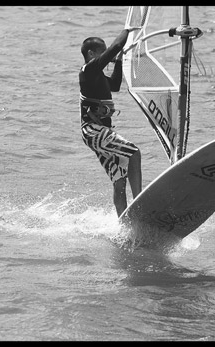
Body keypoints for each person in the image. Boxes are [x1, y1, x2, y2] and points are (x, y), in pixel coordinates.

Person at [80, 27, 142, 216]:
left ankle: (124, 222)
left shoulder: (98, 77)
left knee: (119, 179)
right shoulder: (88, 70)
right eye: (102, 51)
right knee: (134, 152)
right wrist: (127, 30)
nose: (106, 55)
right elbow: (115, 46)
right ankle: (141, 203)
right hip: (93, 130)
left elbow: (114, 84)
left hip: (98, 133)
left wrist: (120, 59)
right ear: (91, 53)